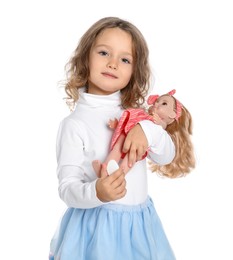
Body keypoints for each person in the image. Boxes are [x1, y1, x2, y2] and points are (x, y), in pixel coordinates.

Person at [49, 17, 177, 260]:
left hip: (139, 227)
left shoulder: (139, 116)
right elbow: (67, 188)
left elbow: (166, 155)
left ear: (134, 70)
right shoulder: (74, 124)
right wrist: (97, 192)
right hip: (96, 230)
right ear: (85, 57)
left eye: (125, 59)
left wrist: (147, 130)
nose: (113, 63)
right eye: (104, 52)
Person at [92, 89, 195, 177]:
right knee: (117, 148)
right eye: (156, 102)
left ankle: (119, 175)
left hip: (139, 146)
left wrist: (158, 122)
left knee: (131, 158)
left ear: (172, 114)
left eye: (163, 103)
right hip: (126, 134)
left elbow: (159, 128)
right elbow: (129, 121)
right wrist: (117, 124)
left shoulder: (158, 125)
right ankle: (104, 168)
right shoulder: (142, 114)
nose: (156, 104)